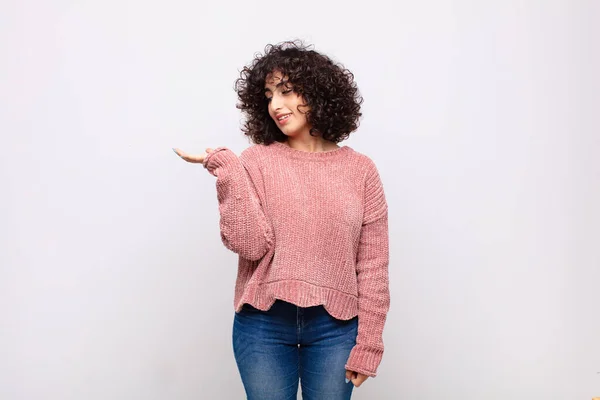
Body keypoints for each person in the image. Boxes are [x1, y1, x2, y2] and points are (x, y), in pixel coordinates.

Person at [173, 39, 390, 400]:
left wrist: (369, 343)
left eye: (287, 91)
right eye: (269, 95)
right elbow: (250, 245)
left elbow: (372, 266)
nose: (276, 105)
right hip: (263, 323)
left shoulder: (361, 171)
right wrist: (227, 169)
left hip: (335, 328)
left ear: (319, 93)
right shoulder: (256, 161)